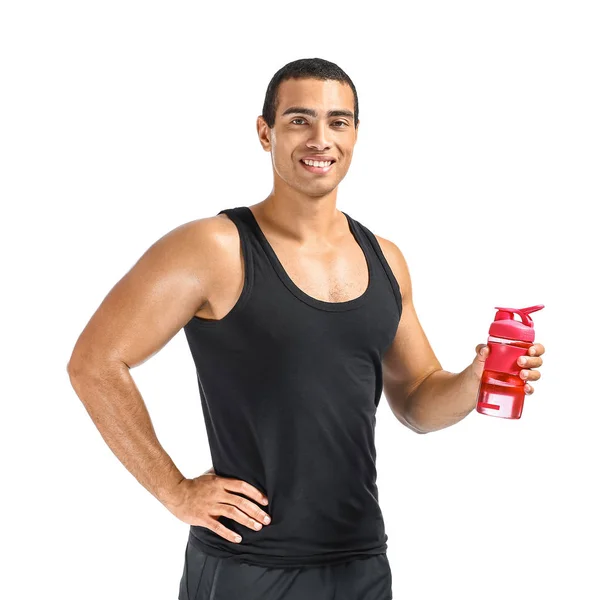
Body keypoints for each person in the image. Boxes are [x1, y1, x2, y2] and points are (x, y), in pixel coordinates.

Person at [67, 57, 545, 600]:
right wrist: (174, 490)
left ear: (357, 135)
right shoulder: (213, 248)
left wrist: (475, 378)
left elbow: (416, 400)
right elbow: (94, 362)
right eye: (300, 120)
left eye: (339, 122)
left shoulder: (385, 258)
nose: (321, 139)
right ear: (265, 132)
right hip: (249, 564)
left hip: (360, 561)